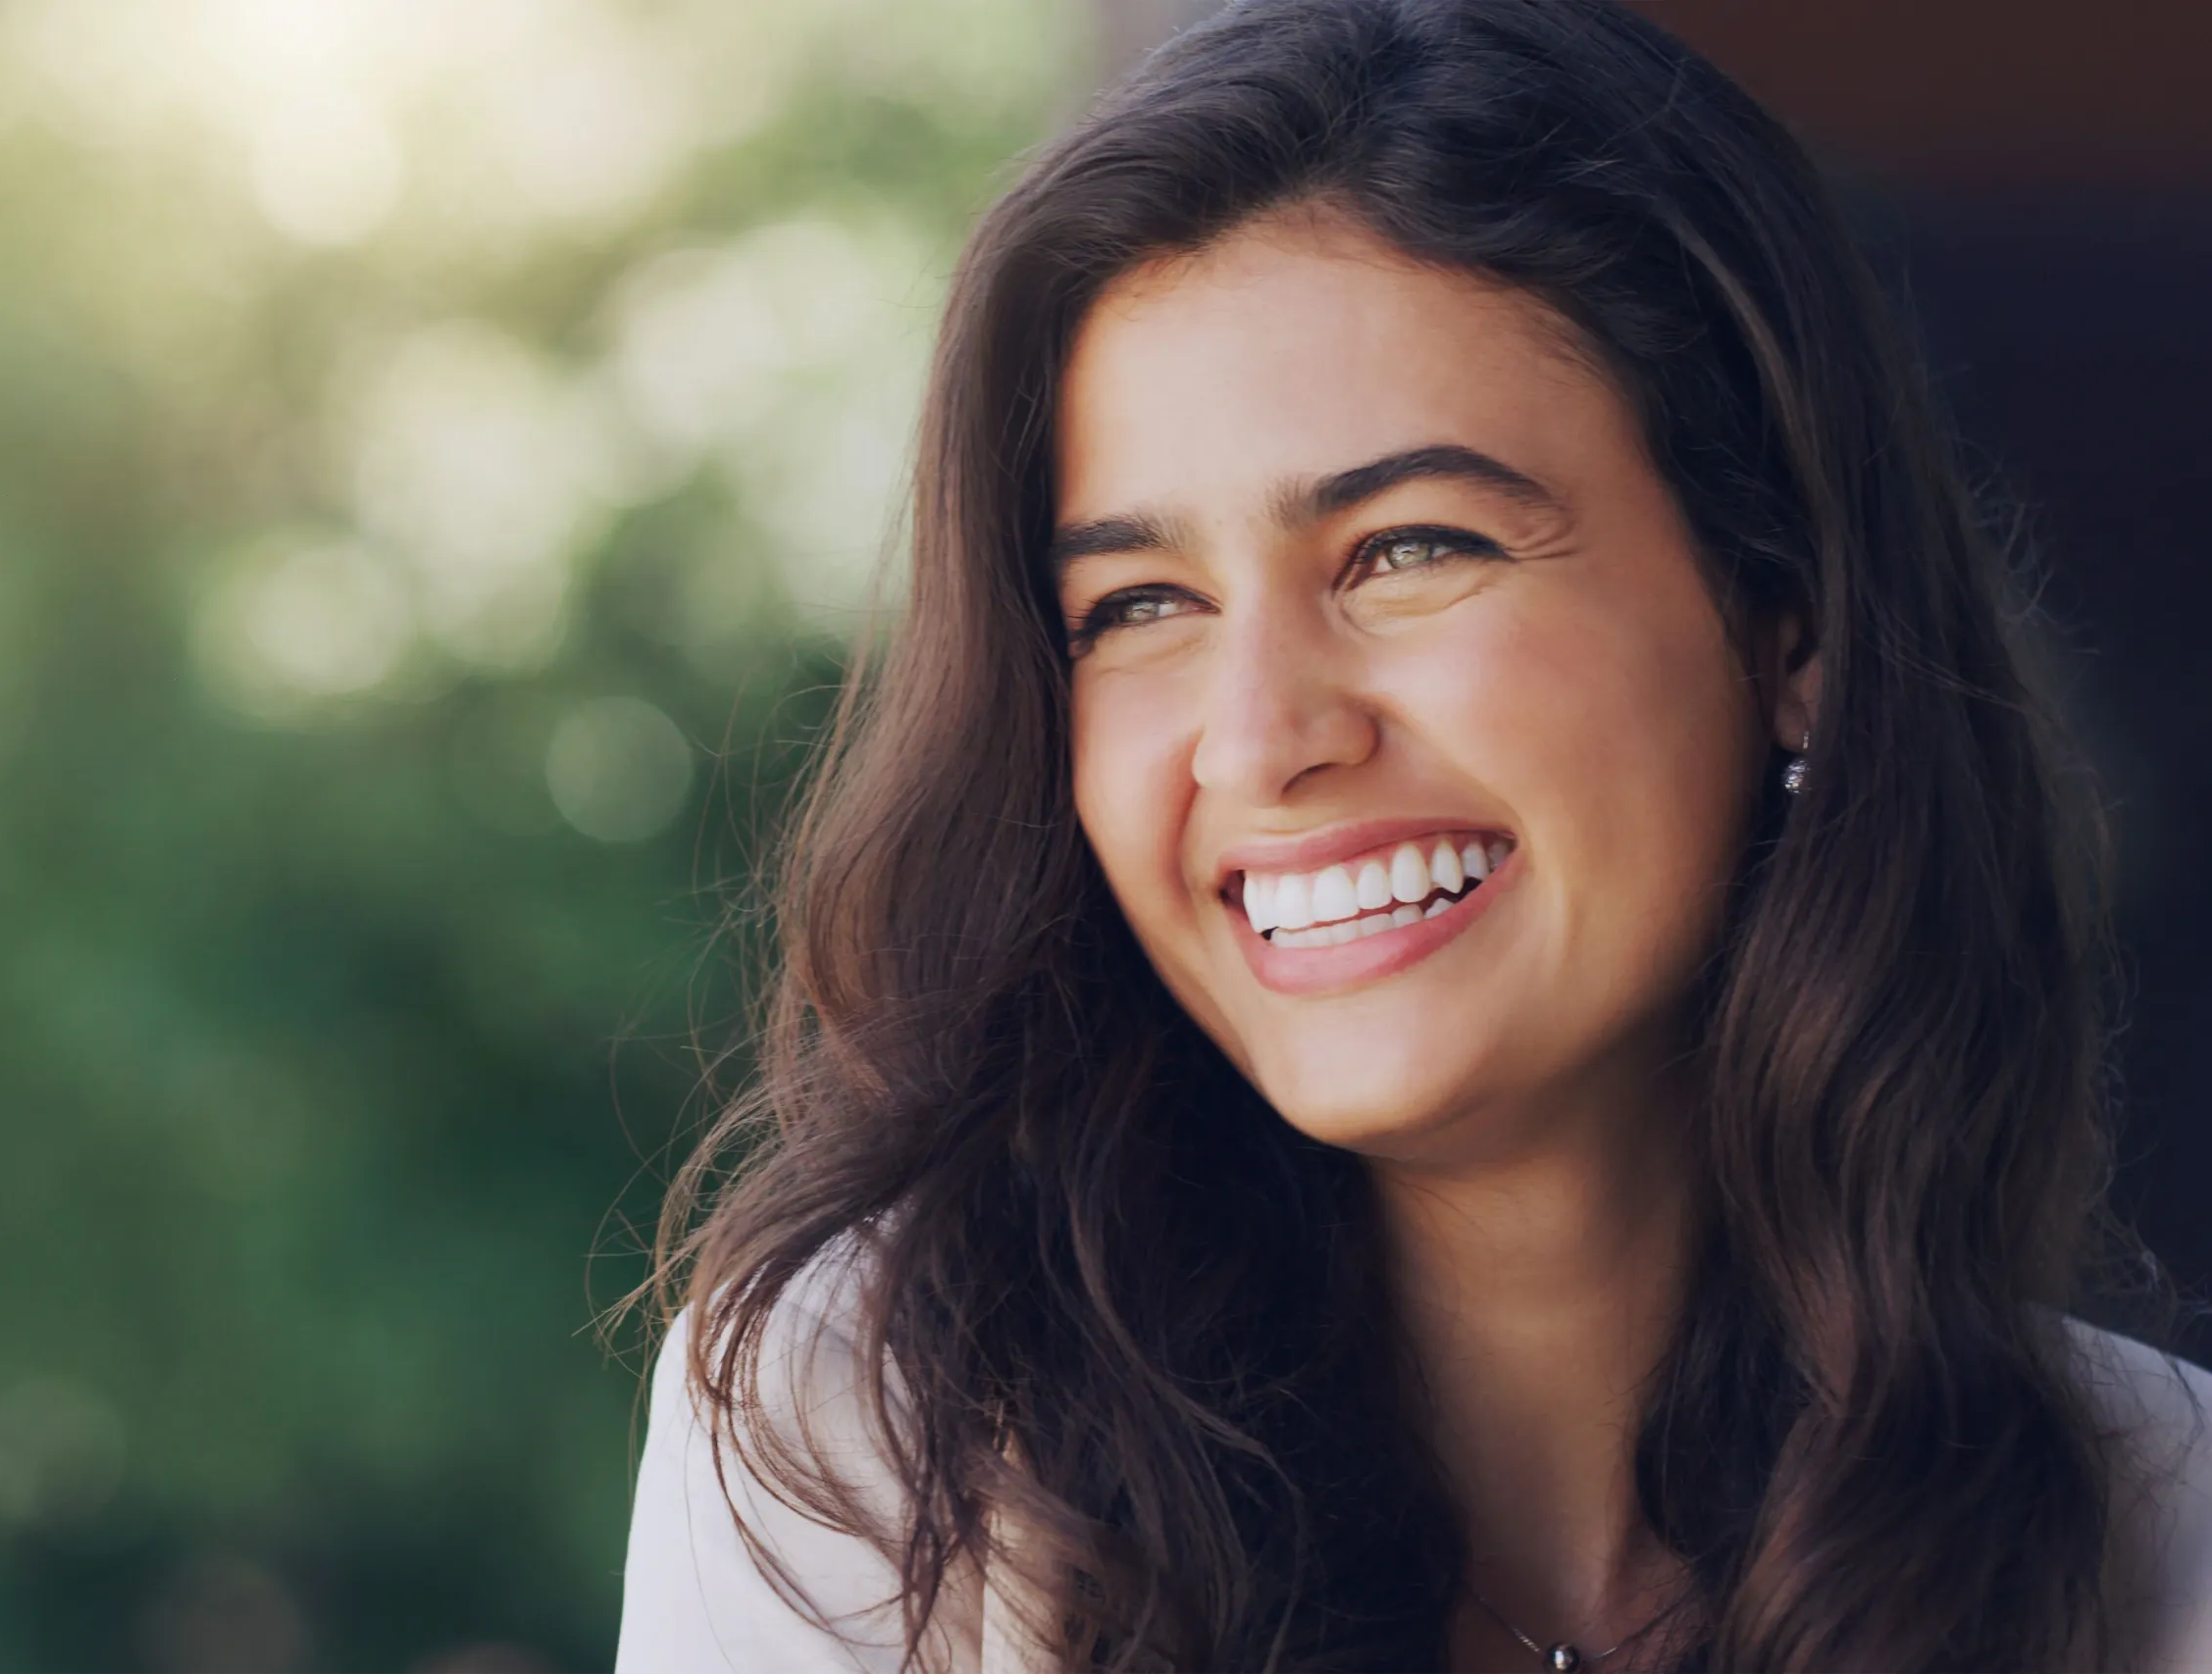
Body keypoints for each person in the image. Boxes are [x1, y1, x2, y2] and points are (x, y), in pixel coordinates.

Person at [614, 1, 2212, 1667]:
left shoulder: (2166, 1551)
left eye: (1409, 549)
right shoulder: (871, 1456)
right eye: (1140, 601)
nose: (1260, 736)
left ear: (1789, 628)